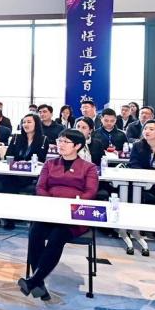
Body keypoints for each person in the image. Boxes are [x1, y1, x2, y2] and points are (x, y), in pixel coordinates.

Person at [18, 128, 100, 300]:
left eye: (66, 142)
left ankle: (34, 281)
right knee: (35, 232)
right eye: (59, 141)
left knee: (57, 236)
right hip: (50, 212)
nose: (60, 145)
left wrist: (70, 205)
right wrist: (53, 204)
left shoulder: (89, 168)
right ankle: (38, 284)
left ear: (77, 146)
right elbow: (40, 187)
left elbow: (90, 192)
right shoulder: (50, 164)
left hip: (74, 215)